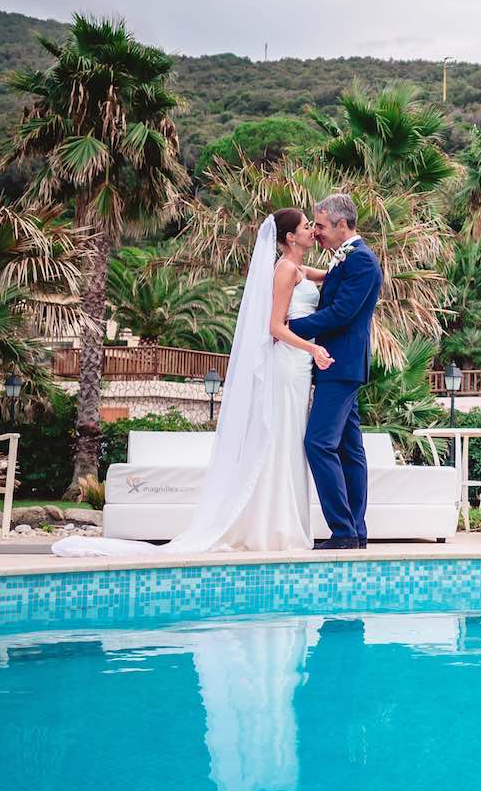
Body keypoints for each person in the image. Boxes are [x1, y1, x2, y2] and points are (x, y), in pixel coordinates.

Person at [51, 208, 332, 557]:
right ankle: (272, 527)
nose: (312, 231)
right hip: (289, 363)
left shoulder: (301, 269)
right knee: (280, 438)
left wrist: (346, 250)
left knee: (291, 438)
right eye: (307, 227)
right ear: (290, 237)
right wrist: (312, 348)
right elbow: (274, 327)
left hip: (300, 366)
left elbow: (331, 273)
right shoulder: (286, 270)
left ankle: (280, 523)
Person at [286, 192, 383, 549]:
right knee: (349, 449)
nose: (316, 232)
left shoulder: (362, 261)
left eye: (321, 226)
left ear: (342, 225)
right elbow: (327, 285)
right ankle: (354, 531)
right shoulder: (346, 258)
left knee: (318, 443)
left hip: (340, 364)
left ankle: (343, 530)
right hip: (339, 364)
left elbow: (341, 313)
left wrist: (290, 328)